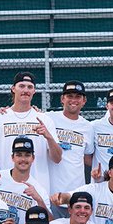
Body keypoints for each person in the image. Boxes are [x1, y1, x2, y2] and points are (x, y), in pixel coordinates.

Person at [0, 72, 62, 189]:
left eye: (30, 87)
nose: (26, 90)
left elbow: (57, 158)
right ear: (13, 88)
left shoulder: (44, 119)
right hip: (5, 188)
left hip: (37, 187)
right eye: (22, 86)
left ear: (34, 91)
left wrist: (48, 137)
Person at [44, 81, 93, 216]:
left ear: (84, 101)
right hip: (51, 194)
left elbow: (88, 158)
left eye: (78, 97)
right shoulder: (49, 118)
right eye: (69, 96)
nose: (73, 100)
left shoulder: (88, 127)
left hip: (75, 194)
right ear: (62, 99)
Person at [0, 136, 50, 224]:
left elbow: (51, 222)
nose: (23, 159)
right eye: (19, 155)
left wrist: (39, 200)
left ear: (33, 158)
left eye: (27, 155)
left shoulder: (39, 189)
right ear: (12, 157)